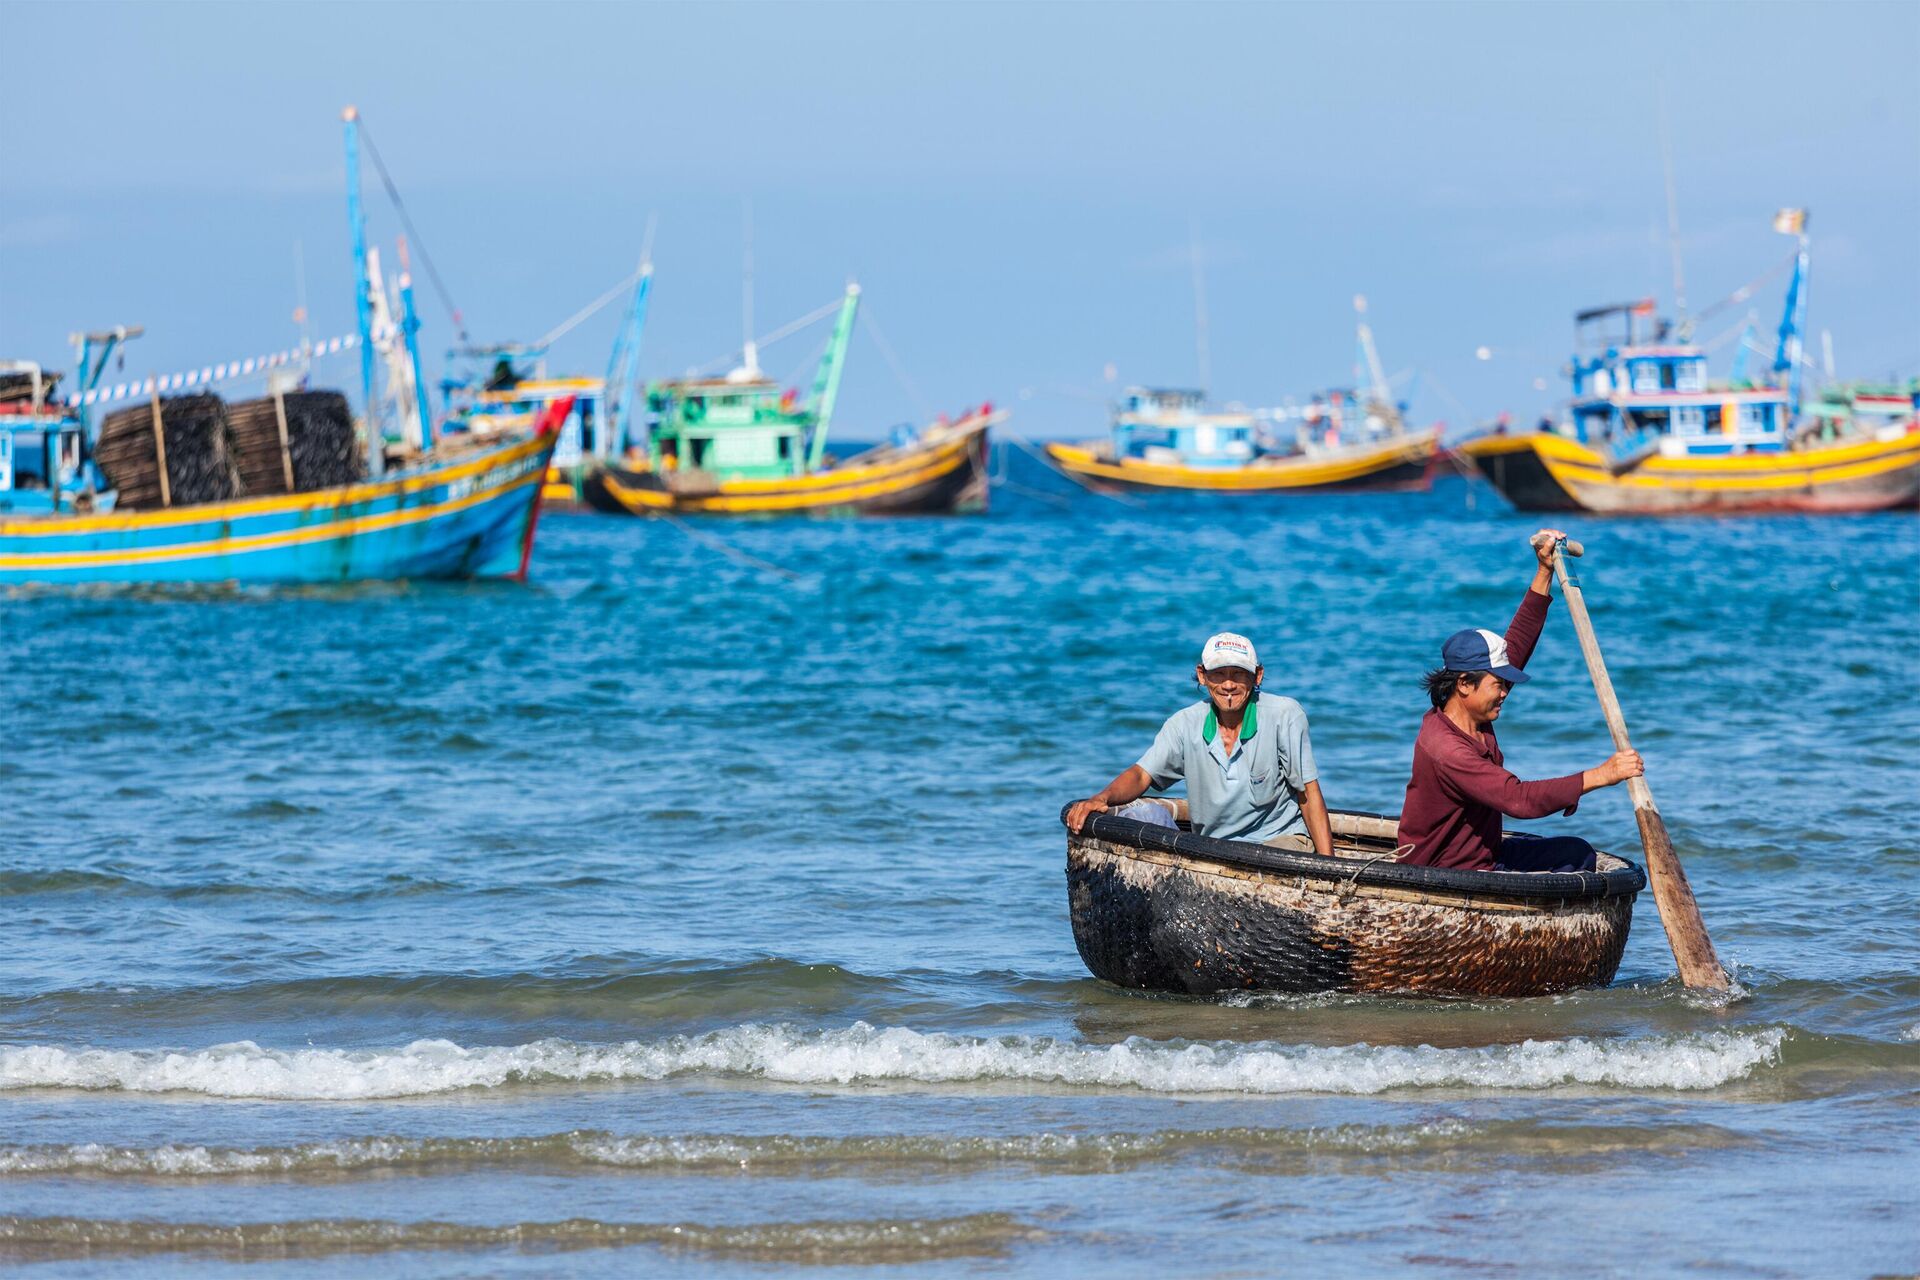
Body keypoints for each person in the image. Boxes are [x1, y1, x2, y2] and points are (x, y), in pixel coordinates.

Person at [1397, 529, 1643, 872]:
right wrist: (1603, 775)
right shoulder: (1447, 749)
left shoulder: (1475, 711)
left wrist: (1544, 570)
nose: (1505, 694)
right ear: (1465, 685)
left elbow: (1518, 645)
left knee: (1577, 853)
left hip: (1485, 855)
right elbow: (1517, 799)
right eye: (1499, 685)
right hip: (1448, 874)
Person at [1066, 632, 1335, 856]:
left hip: (1279, 842)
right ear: (1203, 675)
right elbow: (1140, 774)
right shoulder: (1184, 723)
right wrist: (1100, 798)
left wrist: (1327, 870)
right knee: (1144, 815)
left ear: (1257, 676)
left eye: (1238, 674)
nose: (1228, 684)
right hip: (1214, 850)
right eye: (1219, 674)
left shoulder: (1285, 715)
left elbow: (1308, 794)